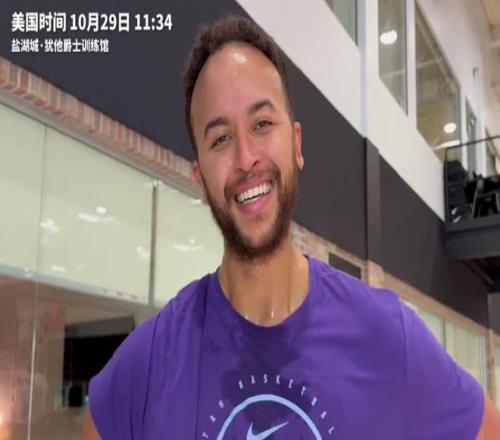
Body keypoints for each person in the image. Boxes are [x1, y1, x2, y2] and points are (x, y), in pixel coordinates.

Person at [83, 15, 500, 439]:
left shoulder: (388, 336)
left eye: (262, 124)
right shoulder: (149, 365)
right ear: (201, 179)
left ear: (297, 144)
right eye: (221, 139)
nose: (246, 158)